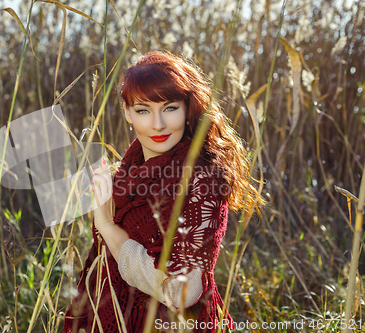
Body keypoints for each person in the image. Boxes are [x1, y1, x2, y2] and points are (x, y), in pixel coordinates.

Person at [62, 50, 264, 333]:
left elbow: (183, 293)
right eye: (143, 110)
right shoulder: (125, 174)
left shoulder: (202, 179)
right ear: (128, 113)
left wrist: (107, 226)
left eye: (169, 108)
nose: (157, 124)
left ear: (187, 109)